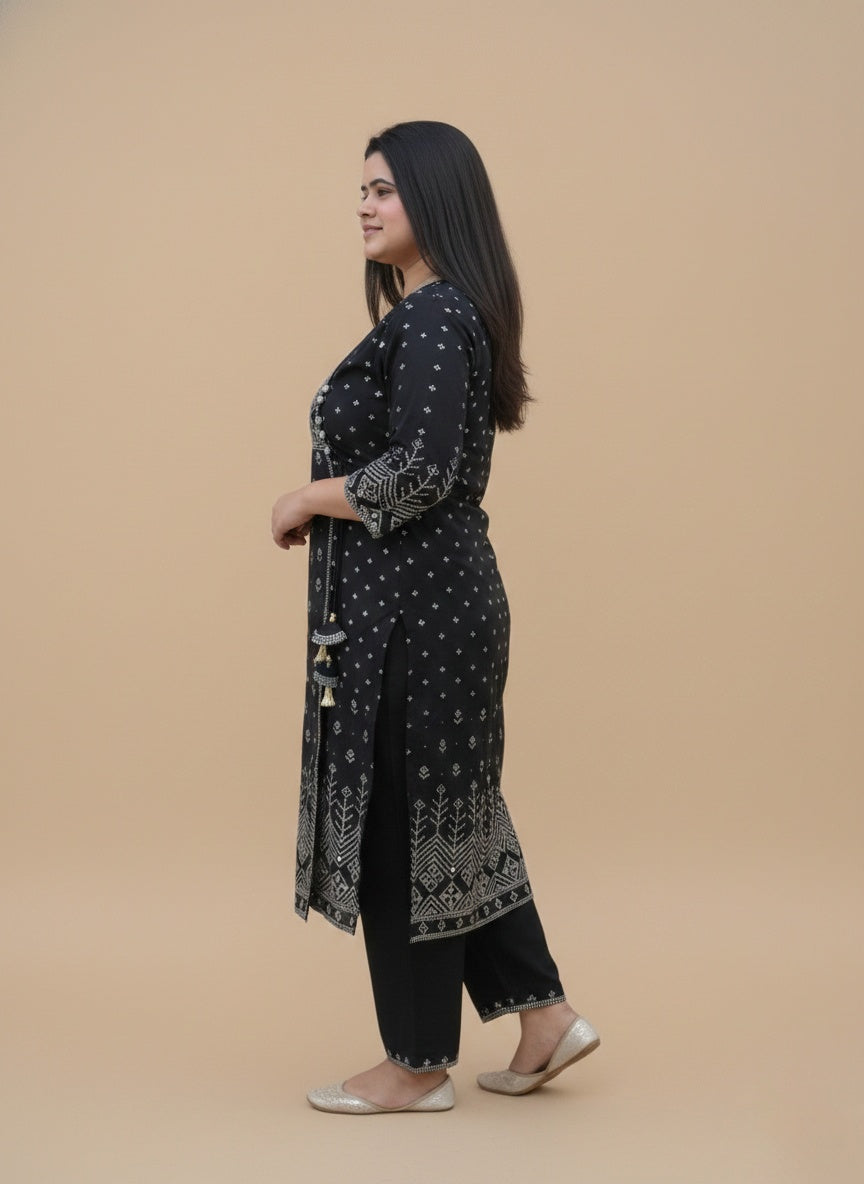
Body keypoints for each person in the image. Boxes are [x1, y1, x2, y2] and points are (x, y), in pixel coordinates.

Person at [271, 121, 599, 1114]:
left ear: (436, 199)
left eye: (385, 189)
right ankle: (544, 1016)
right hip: (431, 609)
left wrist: (307, 496)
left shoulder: (431, 318)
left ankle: (417, 1063)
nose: (365, 206)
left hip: (422, 617)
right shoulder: (444, 314)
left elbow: (421, 472)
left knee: (404, 824)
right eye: (362, 190)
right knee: (450, 813)